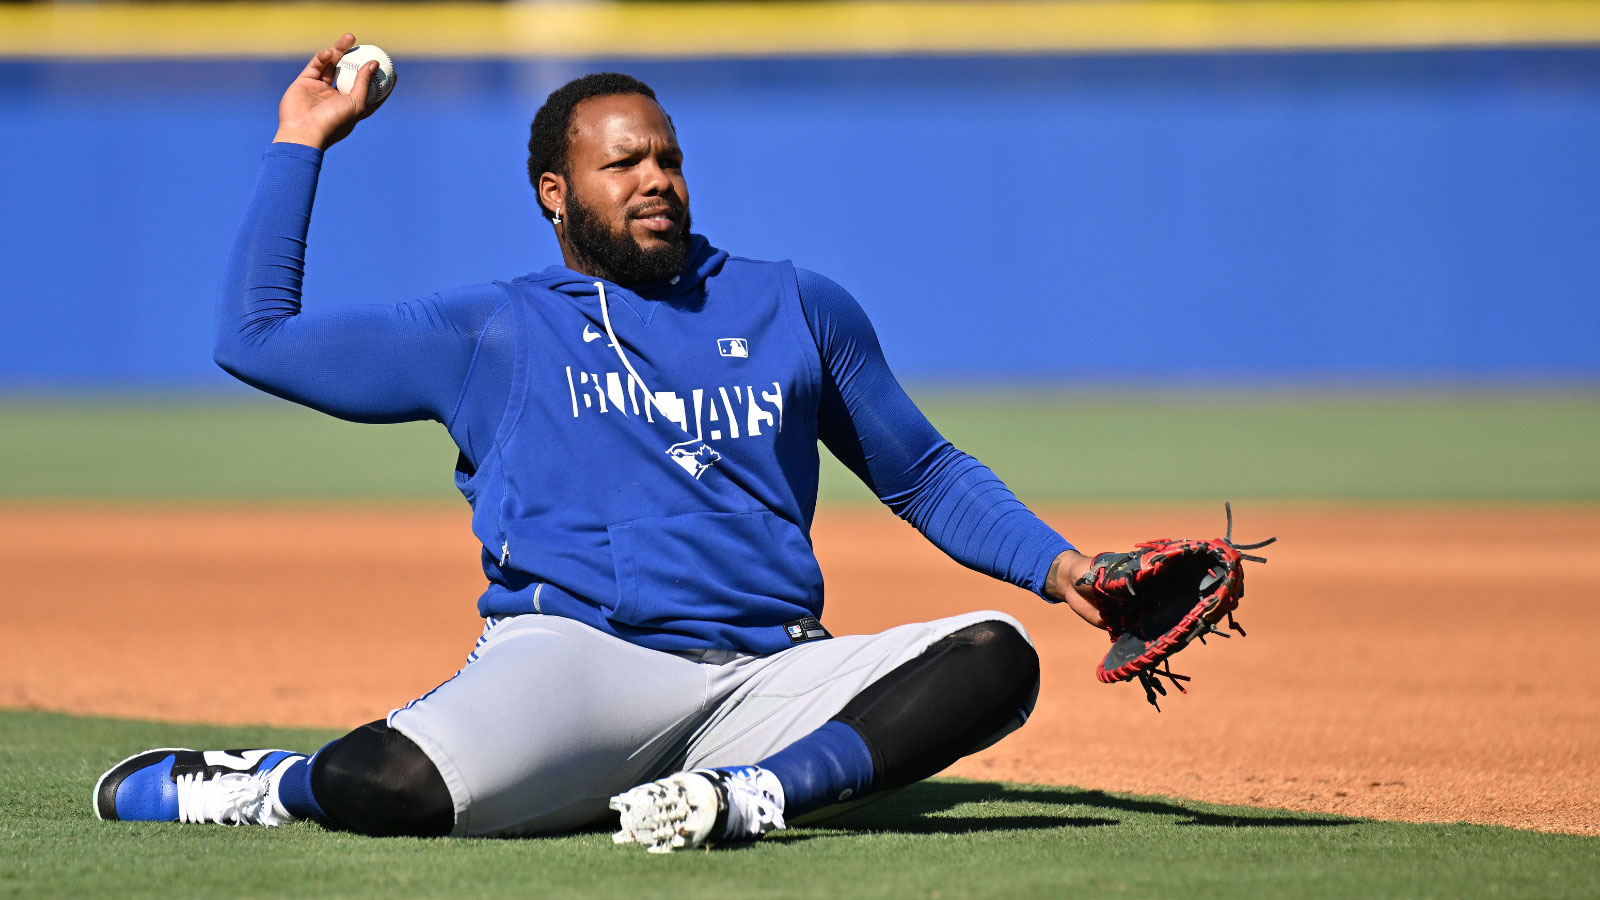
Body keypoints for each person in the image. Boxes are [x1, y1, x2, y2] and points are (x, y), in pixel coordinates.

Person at [92, 34, 1121, 852]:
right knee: (384, 784)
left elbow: (924, 472)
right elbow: (254, 339)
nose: (655, 178)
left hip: (766, 675)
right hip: (578, 664)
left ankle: (746, 797)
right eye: (621, 162)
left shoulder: (795, 305)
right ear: (555, 193)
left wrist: (1065, 566)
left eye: (667, 157)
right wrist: (300, 141)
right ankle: (265, 784)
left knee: (995, 657)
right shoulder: (496, 331)